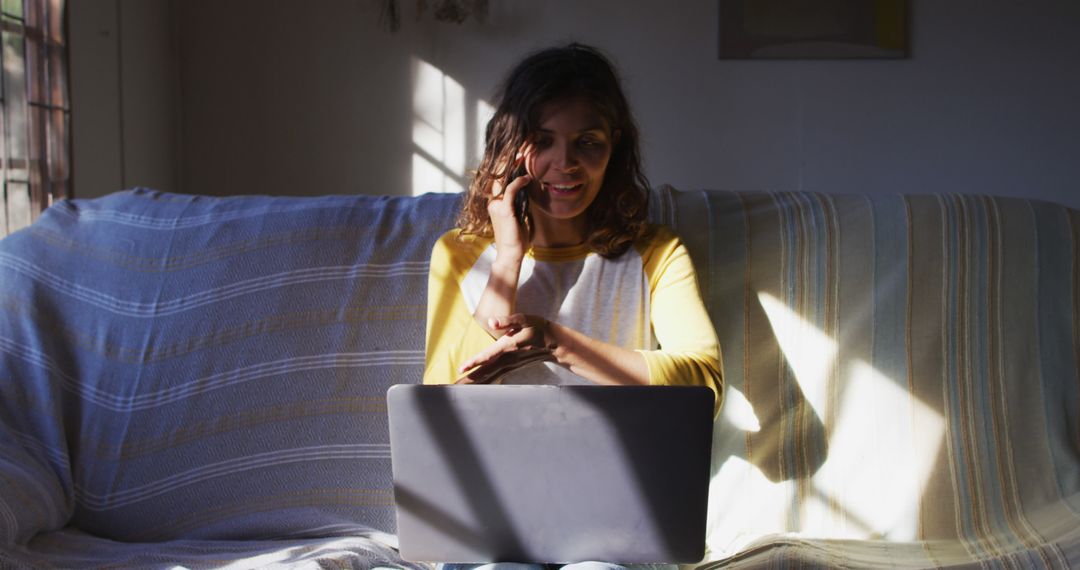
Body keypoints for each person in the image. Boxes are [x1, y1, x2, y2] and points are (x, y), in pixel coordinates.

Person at [424, 42, 722, 406]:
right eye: (542, 141)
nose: (565, 162)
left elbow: (705, 386)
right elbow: (441, 406)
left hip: (620, 462)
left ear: (613, 146)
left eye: (587, 142)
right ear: (511, 146)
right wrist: (507, 259)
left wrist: (555, 342)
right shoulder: (458, 252)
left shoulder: (657, 253)